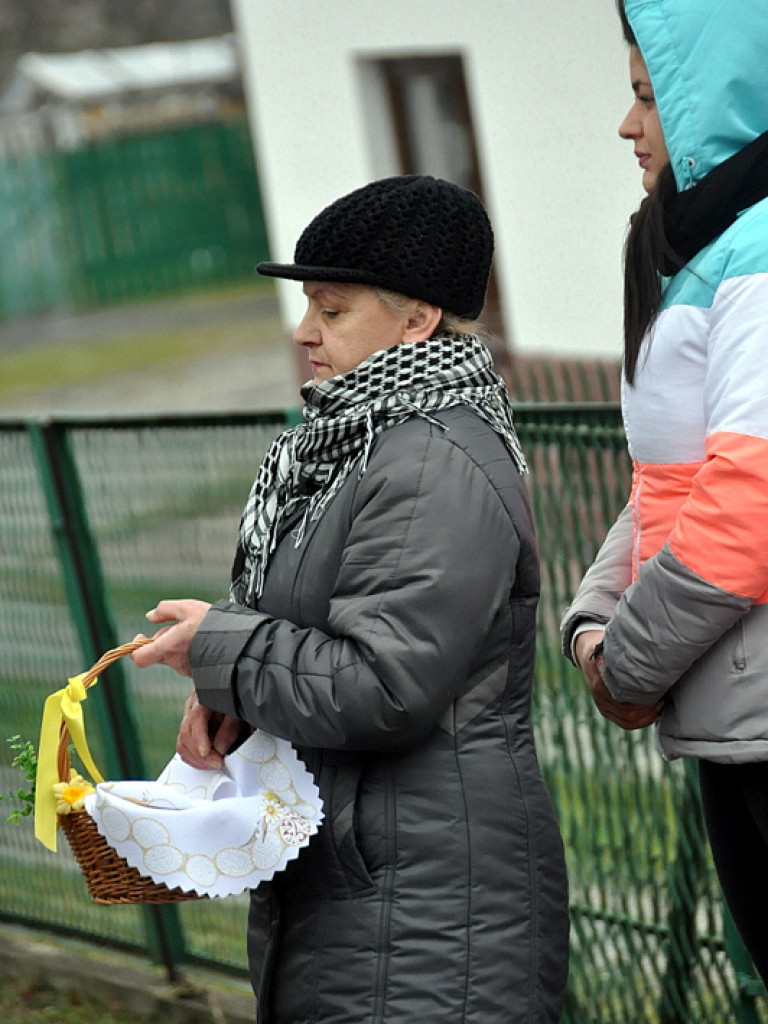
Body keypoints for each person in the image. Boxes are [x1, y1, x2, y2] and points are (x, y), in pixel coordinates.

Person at [132, 174, 569, 1023]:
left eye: (332, 311)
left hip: (429, 910)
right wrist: (238, 700)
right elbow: (331, 636)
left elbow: (383, 684)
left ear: (418, 319)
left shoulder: (429, 461)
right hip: (369, 882)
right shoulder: (364, 444)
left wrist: (221, 648)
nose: (304, 333)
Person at [561, 0, 768, 986]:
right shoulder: (705, 249)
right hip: (739, 719)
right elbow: (671, 481)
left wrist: (625, 663)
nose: (626, 125)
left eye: (648, 98)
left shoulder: (761, 258)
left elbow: (749, 507)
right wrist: (594, 616)